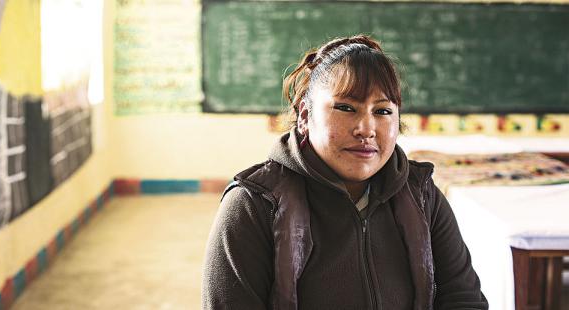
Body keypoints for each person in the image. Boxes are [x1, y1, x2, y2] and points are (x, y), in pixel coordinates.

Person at [202, 34, 488, 310]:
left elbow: (463, 299)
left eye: (383, 111)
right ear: (305, 116)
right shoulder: (255, 205)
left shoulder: (421, 195)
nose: (366, 129)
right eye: (346, 107)